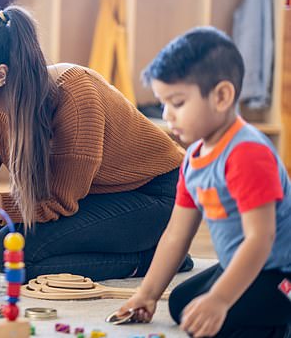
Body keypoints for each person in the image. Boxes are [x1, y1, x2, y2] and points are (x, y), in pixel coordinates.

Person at [0, 5, 191, 281]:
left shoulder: (74, 95)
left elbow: (55, 202)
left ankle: (154, 258)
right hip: (93, 196)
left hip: (158, 195)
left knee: (13, 257)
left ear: (0, 75)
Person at [117, 27, 291, 337]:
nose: (168, 115)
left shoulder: (247, 153)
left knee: (218, 319)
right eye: (164, 103)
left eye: (178, 103)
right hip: (242, 264)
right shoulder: (195, 156)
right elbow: (175, 234)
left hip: (279, 273)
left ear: (221, 96)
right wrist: (147, 293)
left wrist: (220, 299)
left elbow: (259, 239)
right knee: (183, 306)